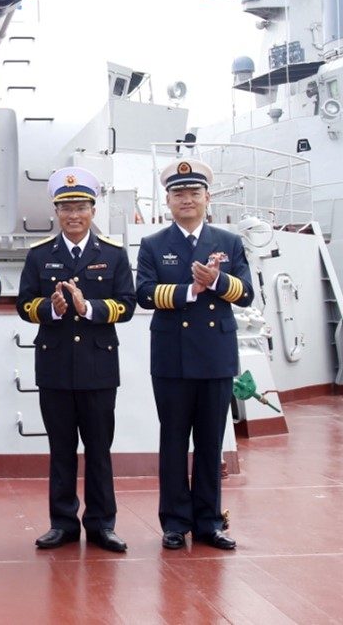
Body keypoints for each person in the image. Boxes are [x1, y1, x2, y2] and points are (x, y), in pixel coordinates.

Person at [136, 158, 253, 552]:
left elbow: (248, 293)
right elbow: (145, 294)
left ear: (207, 197)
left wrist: (217, 280)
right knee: (173, 441)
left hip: (215, 356)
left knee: (209, 443)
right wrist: (190, 291)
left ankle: (208, 522)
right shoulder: (154, 245)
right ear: (167, 201)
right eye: (178, 194)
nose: (186, 199)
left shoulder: (229, 242)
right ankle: (174, 522)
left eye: (193, 192)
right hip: (172, 357)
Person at [16, 167, 135, 553]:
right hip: (54, 368)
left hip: (98, 369)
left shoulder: (113, 255)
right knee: (61, 449)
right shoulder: (39, 256)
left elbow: (127, 305)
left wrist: (88, 308)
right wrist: (49, 309)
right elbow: (24, 305)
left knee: (99, 450)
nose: (73, 215)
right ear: (56, 211)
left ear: (93, 210)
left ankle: (102, 524)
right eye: (66, 207)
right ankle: (63, 523)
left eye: (80, 206)